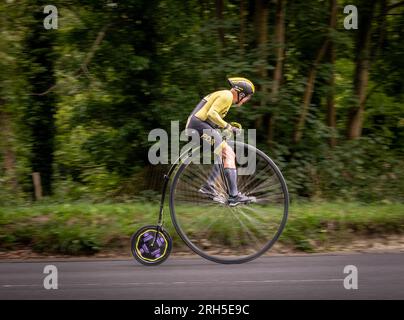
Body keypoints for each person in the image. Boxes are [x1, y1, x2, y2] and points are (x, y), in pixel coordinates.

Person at [185, 77, 256, 206]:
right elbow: (212, 114)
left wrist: (223, 127)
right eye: (247, 97)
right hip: (198, 127)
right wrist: (228, 126)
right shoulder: (227, 96)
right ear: (241, 94)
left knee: (223, 154)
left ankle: (209, 186)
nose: (246, 101)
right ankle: (233, 195)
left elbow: (207, 115)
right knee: (228, 153)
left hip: (198, 126)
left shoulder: (224, 96)